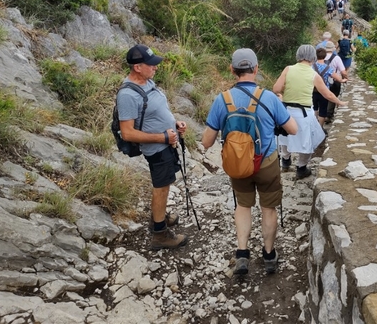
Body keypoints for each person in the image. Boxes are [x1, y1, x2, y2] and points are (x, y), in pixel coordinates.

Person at [201, 49, 298, 276]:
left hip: (238, 165)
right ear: (256, 69)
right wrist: (279, 107)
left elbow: (206, 141)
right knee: (268, 207)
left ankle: (242, 254)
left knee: (243, 205)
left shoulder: (222, 99)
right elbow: (292, 129)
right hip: (266, 163)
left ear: (232, 70)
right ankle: (268, 255)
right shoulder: (269, 98)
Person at [117, 44, 188, 250]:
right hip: (156, 149)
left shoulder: (147, 83)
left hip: (165, 143)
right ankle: (160, 234)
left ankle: (159, 217)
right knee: (161, 188)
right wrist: (162, 137)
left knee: (164, 185)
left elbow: (154, 112)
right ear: (137, 67)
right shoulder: (127, 95)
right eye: (151, 65)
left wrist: (174, 124)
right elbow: (128, 132)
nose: (155, 67)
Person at [273, 45, 348, 179]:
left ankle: (285, 161)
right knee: (308, 140)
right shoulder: (313, 74)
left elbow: (276, 88)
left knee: (285, 136)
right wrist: (340, 102)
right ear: (312, 56)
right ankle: (301, 168)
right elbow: (328, 95)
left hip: (287, 111)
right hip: (304, 113)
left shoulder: (288, 69)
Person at [312, 47, 345, 127]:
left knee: (315, 108)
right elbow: (337, 78)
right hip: (324, 91)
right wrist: (342, 80)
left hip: (314, 90)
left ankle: (314, 124)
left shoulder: (312, 66)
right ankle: (319, 128)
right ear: (325, 56)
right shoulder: (327, 68)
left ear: (316, 56)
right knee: (323, 110)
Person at [324, 40, 348, 121]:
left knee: (324, 96)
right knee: (333, 96)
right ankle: (329, 115)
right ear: (333, 49)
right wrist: (345, 78)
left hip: (323, 80)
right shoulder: (336, 58)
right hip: (335, 80)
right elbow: (343, 71)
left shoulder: (321, 57)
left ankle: (322, 114)